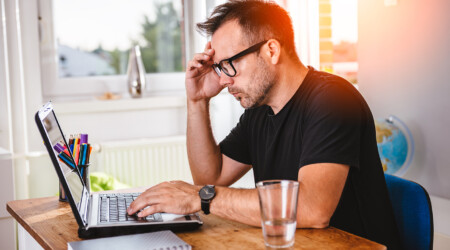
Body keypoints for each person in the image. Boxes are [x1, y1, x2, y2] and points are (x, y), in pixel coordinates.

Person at [128, 1, 401, 249]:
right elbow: (210, 177)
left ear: (271, 50)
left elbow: (313, 209)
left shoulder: (333, 100)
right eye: (219, 68)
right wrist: (197, 100)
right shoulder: (260, 110)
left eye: (228, 64)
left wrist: (201, 197)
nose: (223, 80)